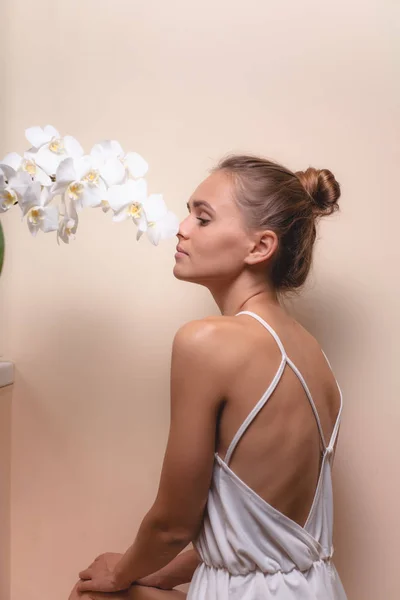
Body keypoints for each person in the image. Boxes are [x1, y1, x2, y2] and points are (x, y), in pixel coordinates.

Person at [71, 154, 347, 600]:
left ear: (260, 247)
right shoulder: (314, 357)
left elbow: (172, 523)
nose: (181, 227)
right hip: (317, 588)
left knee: (93, 594)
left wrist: (119, 575)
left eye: (202, 218)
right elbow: (255, 531)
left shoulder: (208, 341)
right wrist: (158, 576)